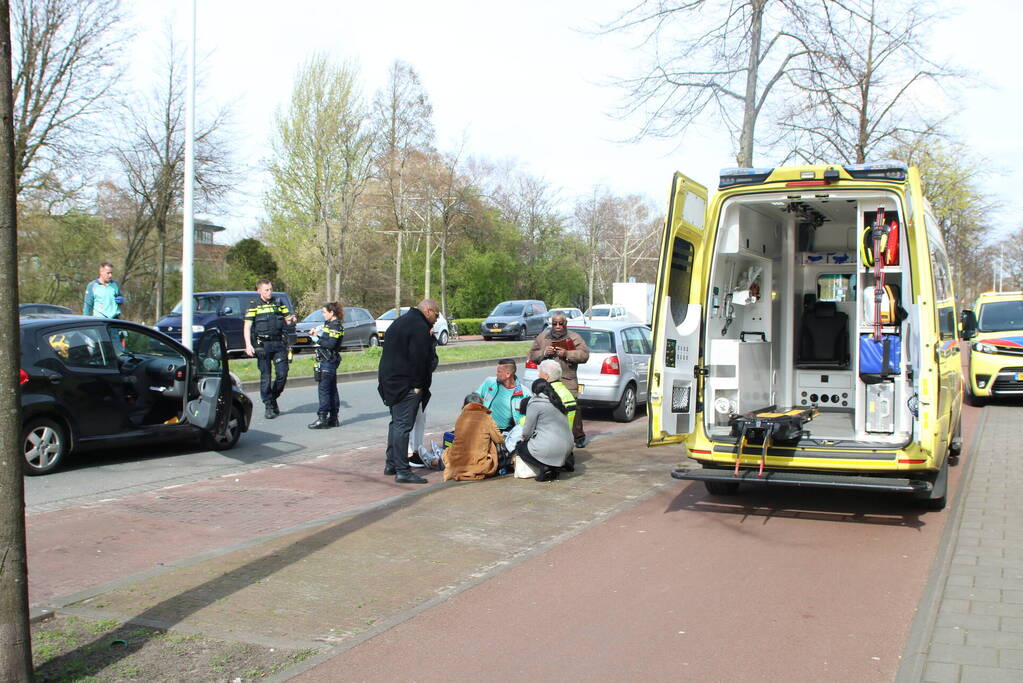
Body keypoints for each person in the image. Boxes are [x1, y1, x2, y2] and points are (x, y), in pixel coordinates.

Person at [377, 299, 440, 484]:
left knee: (396, 424)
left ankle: (392, 464)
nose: (436, 319)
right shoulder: (419, 327)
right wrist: (418, 386)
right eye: (436, 314)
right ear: (428, 311)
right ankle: (403, 470)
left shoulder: (400, 321)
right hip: (405, 385)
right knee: (403, 426)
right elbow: (420, 360)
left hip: (389, 382)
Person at [528, 311, 590, 447]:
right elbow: (532, 354)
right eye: (554, 323)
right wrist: (544, 353)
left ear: (565, 324)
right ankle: (551, 434)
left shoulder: (574, 337)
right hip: (548, 379)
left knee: (572, 406)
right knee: (548, 406)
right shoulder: (543, 337)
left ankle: (578, 436)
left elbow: (584, 355)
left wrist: (567, 353)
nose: (557, 326)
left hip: (567, 378)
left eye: (560, 323)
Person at [244, 279, 297, 420]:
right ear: (259, 291)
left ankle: (272, 398)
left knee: (282, 374)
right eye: (266, 290)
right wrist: (248, 345)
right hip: (262, 345)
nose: (269, 292)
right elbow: (247, 326)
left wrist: (292, 319)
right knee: (266, 376)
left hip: (279, 344)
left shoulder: (279, 303)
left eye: (270, 289)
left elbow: (288, 321)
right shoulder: (253, 305)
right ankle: (268, 404)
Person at [514, 378, 575, 482]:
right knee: (547, 445)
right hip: (568, 447)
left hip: (549, 448)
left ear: (534, 392)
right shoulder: (558, 401)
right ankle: (559, 465)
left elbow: (527, 432)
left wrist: (524, 439)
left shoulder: (535, 403)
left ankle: (544, 468)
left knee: (520, 447)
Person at [441, 392, 507, 481]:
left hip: (456, 464)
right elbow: (499, 439)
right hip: (480, 465)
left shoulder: (460, 418)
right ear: (481, 405)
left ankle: (433, 461)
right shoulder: (486, 418)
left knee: (449, 451)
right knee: (491, 441)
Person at [307, 302, 344, 429]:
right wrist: (316, 331)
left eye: (324, 312)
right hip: (327, 359)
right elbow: (323, 329)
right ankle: (333, 418)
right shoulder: (329, 324)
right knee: (332, 389)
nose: (323, 314)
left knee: (324, 390)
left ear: (331, 313)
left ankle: (322, 418)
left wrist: (316, 338)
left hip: (328, 360)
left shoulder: (335, 326)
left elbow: (331, 344)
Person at [476, 358, 530, 433]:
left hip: (508, 433)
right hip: (486, 428)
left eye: (499, 372)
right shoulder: (489, 382)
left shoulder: (525, 393)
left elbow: (528, 418)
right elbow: (475, 399)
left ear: (508, 374)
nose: (496, 374)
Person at [536, 359, 578, 433]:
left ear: (546, 376)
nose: (538, 375)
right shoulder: (567, 392)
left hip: (550, 438)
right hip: (567, 438)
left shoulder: (546, 394)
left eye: (540, 373)